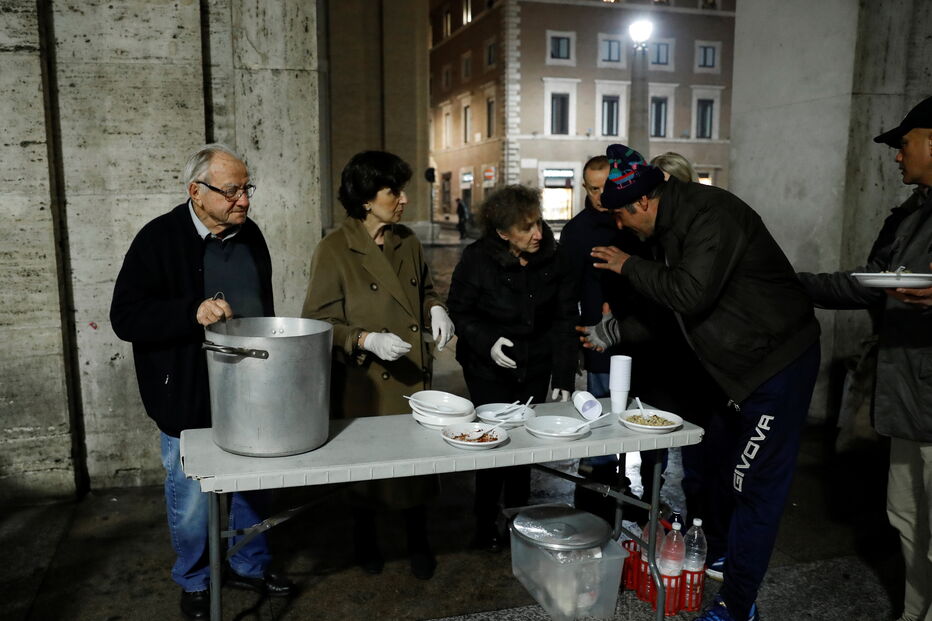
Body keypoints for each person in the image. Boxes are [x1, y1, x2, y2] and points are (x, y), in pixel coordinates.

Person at [578, 144, 821, 621]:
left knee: (754, 484)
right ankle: (726, 557)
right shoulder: (671, 228)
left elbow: (688, 294)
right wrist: (615, 332)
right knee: (725, 477)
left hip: (776, 365)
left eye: (624, 217)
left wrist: (627, 264)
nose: (621, 228)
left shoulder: (711, 215)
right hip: (737, 370)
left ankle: (737, 605)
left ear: (644, 202)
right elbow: (672, 317)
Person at [110, 143, 295, 620]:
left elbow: (263, 303)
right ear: (196, 191)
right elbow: (125, 317)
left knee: (256, 483)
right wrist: (189, 312)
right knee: (192, 498)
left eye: (246, 189)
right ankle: (194, 579)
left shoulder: (250, 235)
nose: (244, 200)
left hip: (251, 387)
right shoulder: (158, 239)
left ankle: (251, 564)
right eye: (231, 190)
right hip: (186, 391)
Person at [798, 96, 932, 621]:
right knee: (905, 516)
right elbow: (870, 283)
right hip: (905, 394)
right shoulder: (912, 214)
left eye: (905, 144)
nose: (897, 156)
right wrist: (793, 286)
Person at [302, 150, 455, 580]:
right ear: (367, 199)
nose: (404, 199)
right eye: (394, 191)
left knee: (416, 467)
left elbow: (425, 290)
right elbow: (316, 322)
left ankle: (418, 540)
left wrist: (436, 309)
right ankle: (365, 539)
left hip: (412, 376)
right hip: (367, 382)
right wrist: (364, 339)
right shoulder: (335, 249)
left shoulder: (407, 240)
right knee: (368, 472)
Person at [447, 185, 577, 551]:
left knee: (524, 444)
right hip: (487, 367)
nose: (537, 234)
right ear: (503, 233)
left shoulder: (556, 256)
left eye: (537, 223)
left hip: (534, 364)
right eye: (526, 228)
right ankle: (484, 522)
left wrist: (564, 372)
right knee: (492, 444)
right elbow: (460, 309)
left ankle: (520, 520)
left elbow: (566, 318)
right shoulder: (477, 259)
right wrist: (487, 341)